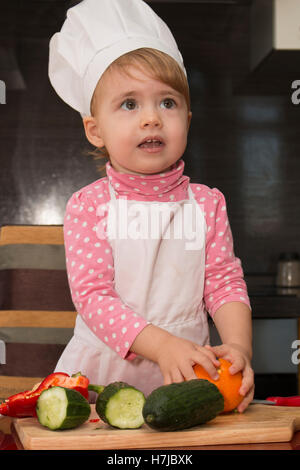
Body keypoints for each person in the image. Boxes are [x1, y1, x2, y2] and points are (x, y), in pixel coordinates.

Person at [49, 0, 254, 412]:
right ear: (95, 130)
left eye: (167, 103)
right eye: (129, 104)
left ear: (188, 120)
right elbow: (94, 298)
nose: (151, 119)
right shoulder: (89, 207)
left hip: (190, 378)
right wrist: (162, 346)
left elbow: (224, 282)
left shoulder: (208, 204)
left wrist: (237, 347)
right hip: (101, 381)